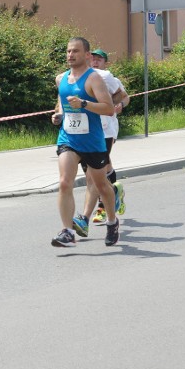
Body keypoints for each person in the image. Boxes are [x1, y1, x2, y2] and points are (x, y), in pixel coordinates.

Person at [50, 37, 120, 248]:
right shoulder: (60, 79)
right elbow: (61, 104)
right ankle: (68, 232)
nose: (70, 55)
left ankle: (112, 221)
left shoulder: (94, 79)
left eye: (76, 51)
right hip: (68, 138)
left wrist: (84, 104)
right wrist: (58, 115)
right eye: (68, 51)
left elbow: (108, 108)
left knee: (100, 185)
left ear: (87, 55)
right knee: (64, 182)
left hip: (92, 141)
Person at [72, 48, 129, 238]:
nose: (95, 62)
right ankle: (113, 191)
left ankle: (91, 214)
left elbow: (123, 96)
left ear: (105, 62)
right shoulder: (79, 78)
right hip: (83, 132)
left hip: (105, 130)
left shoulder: (107, 77)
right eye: (93, 59)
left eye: (99, 59)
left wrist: (114, 104)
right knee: (97, 174)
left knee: (93, 176)